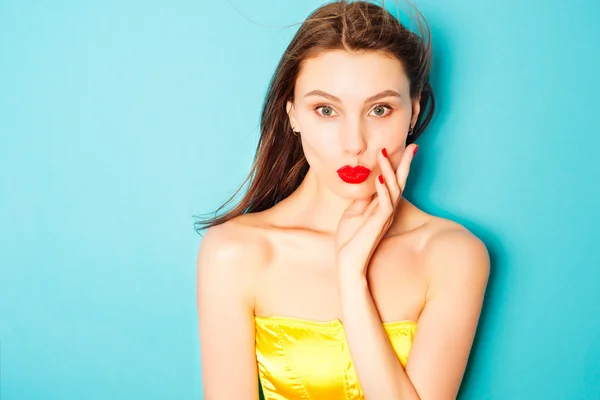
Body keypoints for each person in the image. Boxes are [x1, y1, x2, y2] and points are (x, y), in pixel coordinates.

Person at [195, 1, 490, 398]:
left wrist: (352, 279)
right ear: (293, 115)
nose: (355, 145)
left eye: (380, 109)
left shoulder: (453, 254)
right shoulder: (235, 252)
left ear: (414, 111)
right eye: (326, 110)